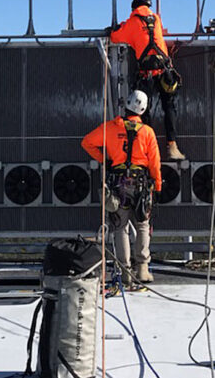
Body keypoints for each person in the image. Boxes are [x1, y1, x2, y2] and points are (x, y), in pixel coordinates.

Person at [81, 90, 161, 284]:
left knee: (120, 227)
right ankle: (142, 269)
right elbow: (154, 162)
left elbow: (87, 143)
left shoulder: (110, 128)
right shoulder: (147, 132)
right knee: (142, 225)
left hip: (118, 185)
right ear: (143, 109)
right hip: (141, 184)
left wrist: (105, 160)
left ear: (126, 104)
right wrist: (157, 184)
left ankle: (126, 273)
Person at [109, 0, 185, 160]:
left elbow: (115, 37)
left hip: (146, 73)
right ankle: (172, 146)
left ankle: (149, 149)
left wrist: (118, 27)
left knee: (143, 110)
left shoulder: (132, 22)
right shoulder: (156, 19)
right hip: (165, 71)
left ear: (134, 7)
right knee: (169, 106)